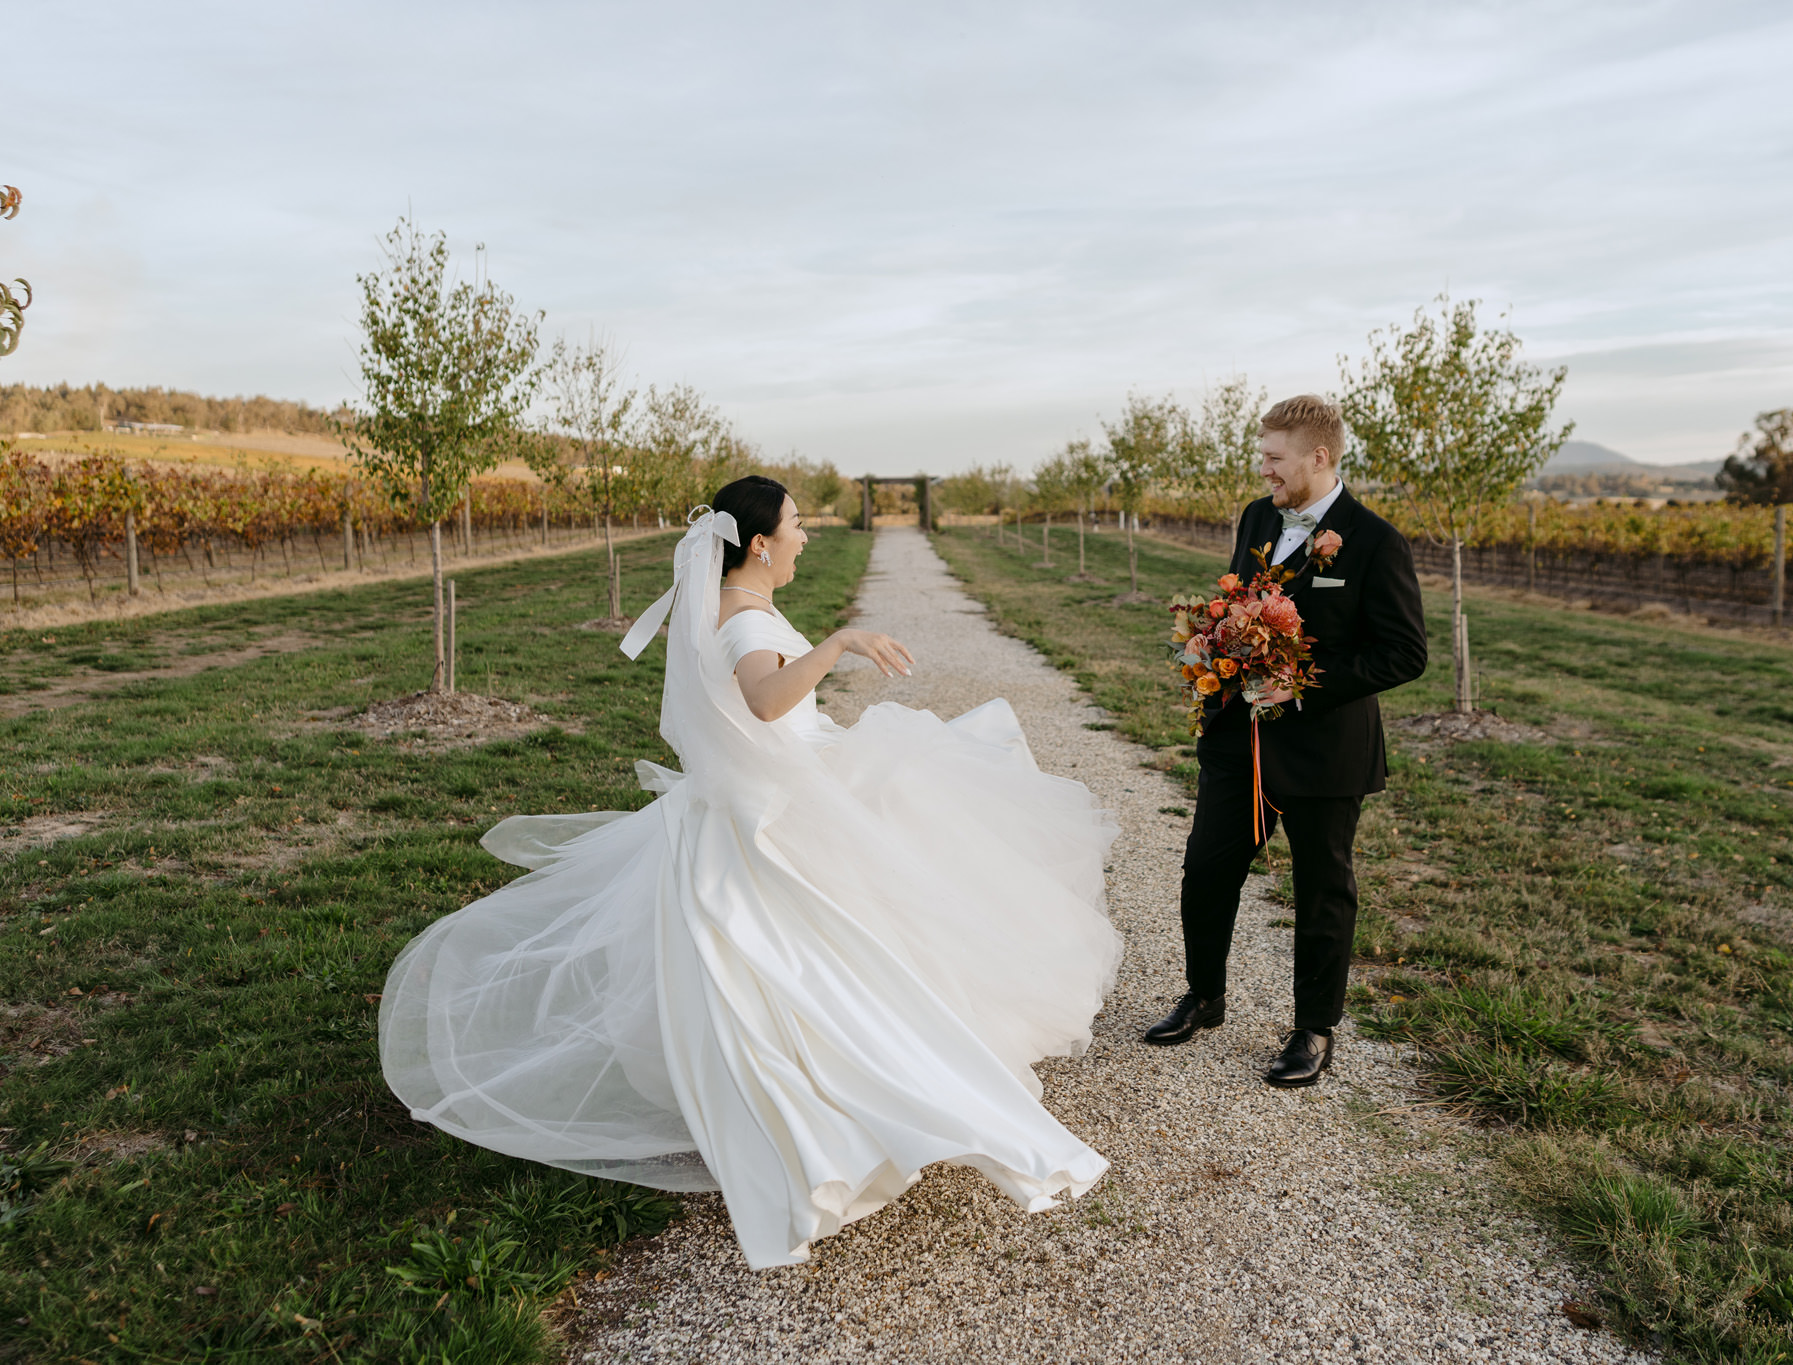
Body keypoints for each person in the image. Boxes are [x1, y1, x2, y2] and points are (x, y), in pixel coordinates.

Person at [379, 475, 1122, 1270]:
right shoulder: (745, 619)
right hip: (777, 805)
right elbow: (766, 702)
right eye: (797, 523)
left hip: (768, 790)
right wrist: (838, 644)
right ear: (760, 543)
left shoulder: (733, 606)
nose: (807, 534)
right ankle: (857, 1104)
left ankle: (846, 1080)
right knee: (832, 947)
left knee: (834, 945)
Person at [1142, 396, 1427, 1087]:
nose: (1264, 469)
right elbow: (1243, 602)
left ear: (1318, 456)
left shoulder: (1375, 541)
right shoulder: (1257, 516)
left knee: (1323, 891)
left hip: (1326, 750)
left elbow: (1405, 653)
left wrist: (1300, 686)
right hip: (1239, 741)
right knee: (1206, 870)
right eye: (1263, 456)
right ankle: (1204, 996)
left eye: (1275, 458)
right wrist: (1215, 644)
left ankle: (1314, 1029)